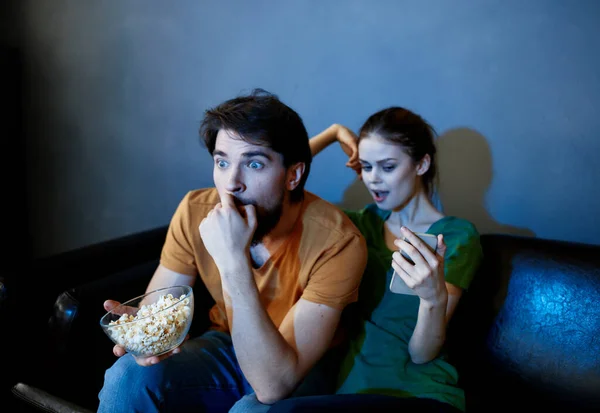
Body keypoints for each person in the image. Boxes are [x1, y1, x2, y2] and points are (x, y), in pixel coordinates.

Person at [97, 89, 368, 413]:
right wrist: (147, 337)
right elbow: (159, 311)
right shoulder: (196, 210)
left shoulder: (338, 242)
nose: (231, 183)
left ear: (293, 175)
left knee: (252, 410)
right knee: (127, 375)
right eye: (222, 162)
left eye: (254, 163)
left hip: (299, 363)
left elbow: (273, 386)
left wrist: (232, 260)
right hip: (226, 345)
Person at [269, 107, 484, 412]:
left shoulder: (455, 236)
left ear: (421, 164)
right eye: (366, 166)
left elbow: (422, 354)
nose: (373, 180)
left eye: (387, 167)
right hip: (352, 393)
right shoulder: (359, 226)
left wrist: (433, 299)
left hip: (420, 395)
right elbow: (276, 187)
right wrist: (332, 134)